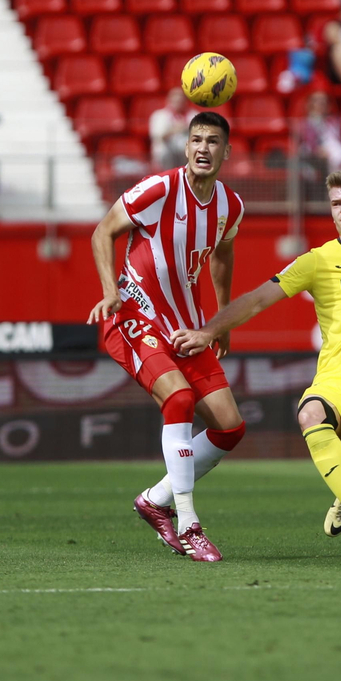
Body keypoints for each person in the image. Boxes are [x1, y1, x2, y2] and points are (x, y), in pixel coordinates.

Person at [172, 169, 341, 561]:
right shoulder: (317, 261)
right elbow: (256, 299)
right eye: (336, 204)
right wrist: (207, 331)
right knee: (309, 414)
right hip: (336, 376)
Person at [88, 111, 249, 563]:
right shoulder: (159, 189)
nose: (203, 148)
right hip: (134, 318)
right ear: (185, 147)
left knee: (230, 427)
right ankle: (188, 523)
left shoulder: (229, 206)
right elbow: (103, 231)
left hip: (186, 325)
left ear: (226, 152)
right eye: (196, 139)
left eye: (212, 141)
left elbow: (223, 254)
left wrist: (219, 322)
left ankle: (154, 500)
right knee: (178, 400)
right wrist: (109, 291)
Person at [147, 87, 194, 169]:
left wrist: (187, 128)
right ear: (169, 100)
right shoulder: (159, 115)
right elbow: (158, 137)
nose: (178, 103)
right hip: (166, 156)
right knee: (164, 151)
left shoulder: (194, 115)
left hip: (186, 155)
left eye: (181, 100)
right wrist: (175, 130)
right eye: (175, 101)